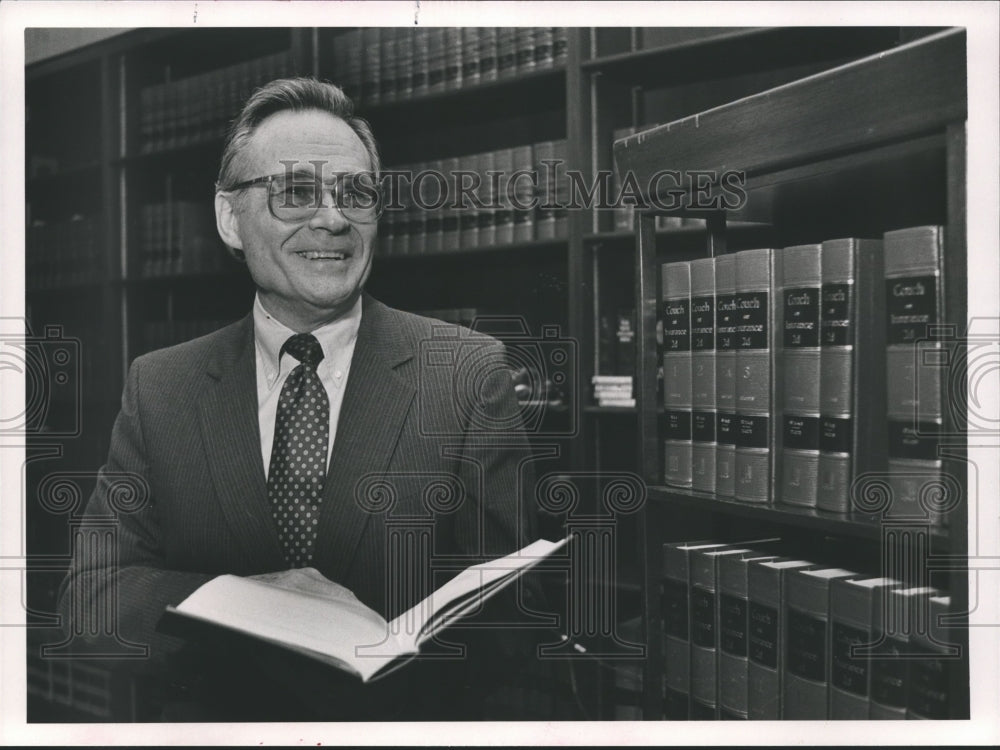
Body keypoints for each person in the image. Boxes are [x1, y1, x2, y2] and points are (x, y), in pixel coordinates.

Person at [57, 78, 545, 721]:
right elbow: (88, 602)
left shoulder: (463, 373)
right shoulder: (161, 387)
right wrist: (247, 604)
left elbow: (518, 613)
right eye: (296, 192)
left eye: (356, 193)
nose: (334, 219)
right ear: (230, 219)